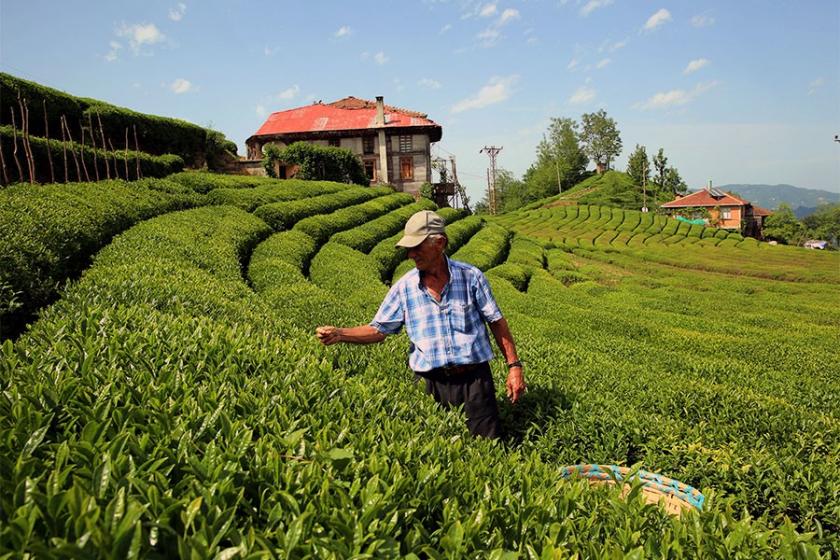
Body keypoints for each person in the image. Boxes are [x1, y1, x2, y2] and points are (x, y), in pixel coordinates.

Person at [316, 210, 526, 439]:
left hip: (474, 381)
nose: (411, 255)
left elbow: (496, 321)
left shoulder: (471, 277)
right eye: (408, 249)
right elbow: (378, 329)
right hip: (429, 384)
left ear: (440, 243)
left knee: (486, 448)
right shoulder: (404, 287)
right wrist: (340, 334)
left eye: (417, 247)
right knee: (435, 452)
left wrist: (514, 366)